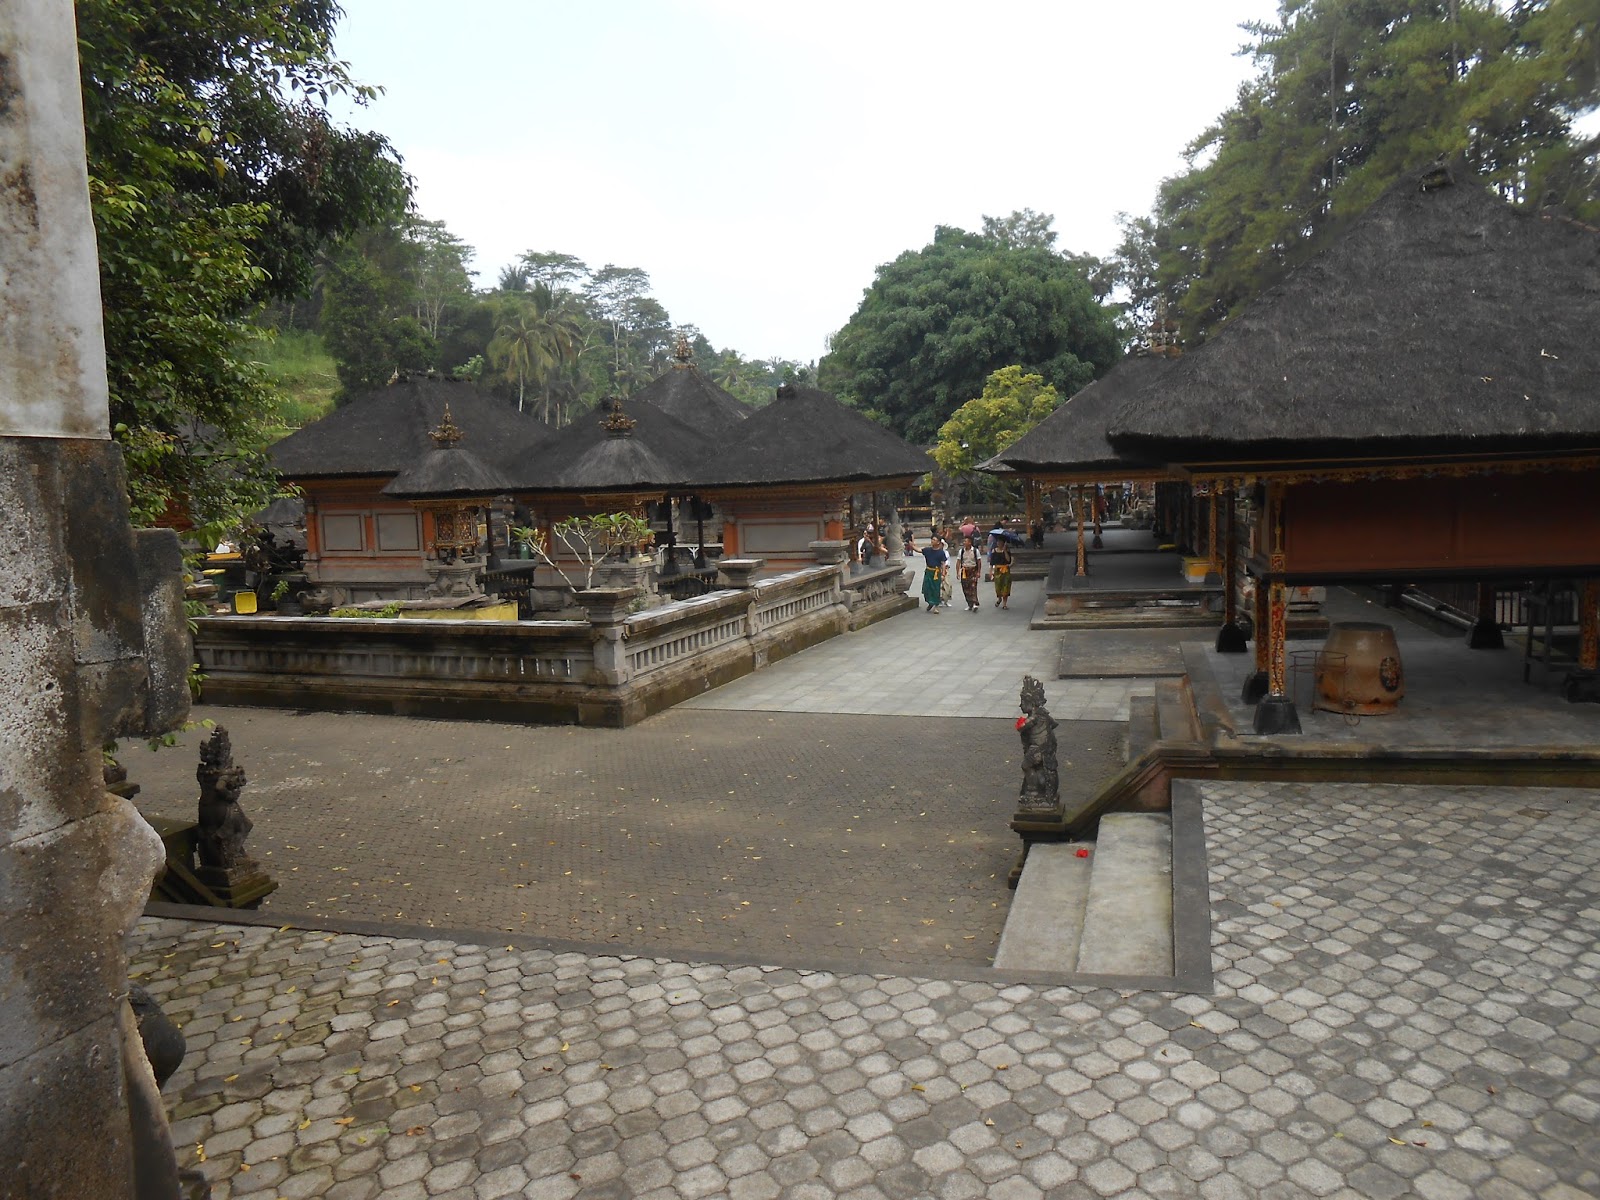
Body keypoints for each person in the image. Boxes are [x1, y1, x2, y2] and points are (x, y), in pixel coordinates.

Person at [918, 536, 948, 613]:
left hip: (936, 572)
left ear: (938, 542)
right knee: (926, 589)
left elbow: (943, 564)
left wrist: (943, 574)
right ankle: (930, 602)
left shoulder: (941, 552)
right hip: (928, 571)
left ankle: (936, 606)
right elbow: (918, 550)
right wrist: (911, 545)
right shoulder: (927, 550)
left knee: (935, 589)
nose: (932, 541)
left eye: (934, 540)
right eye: (932, 539)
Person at [955, 536, 983, 612]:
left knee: (973, 587)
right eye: (964, 541)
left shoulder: (975, 551)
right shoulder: (961, 551)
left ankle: (975, 603)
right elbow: (958, 562)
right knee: (965, 587)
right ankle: (969, 603)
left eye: (966, 541)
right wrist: (957, 572)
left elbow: (979, 562)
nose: (964, 543)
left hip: (973, 570)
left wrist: (978, 572)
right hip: (964, 571)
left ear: (970, 542)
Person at [989, 536, 1013, 609]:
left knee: (1006, 586)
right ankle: (999, 598)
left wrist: (1005, 551)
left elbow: (1008, 560)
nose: (998, 543)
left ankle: (1004, 604)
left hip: (1005, 570)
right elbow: (991, 563)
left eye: (1000, 541)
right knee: (998, 587)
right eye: (998, 541)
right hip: (997, 570)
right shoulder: (994, 551)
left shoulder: (1007, 551)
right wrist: (990, 572)